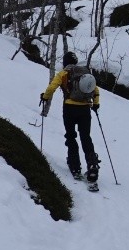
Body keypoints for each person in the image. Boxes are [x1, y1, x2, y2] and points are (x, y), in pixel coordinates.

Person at [41, 51, 101, 184]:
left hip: (69, 109)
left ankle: (75, 166)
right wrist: (95, 105)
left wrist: (45, 97)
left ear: (65, 62)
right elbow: (95, 90)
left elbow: (52, 87)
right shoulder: (85, 73)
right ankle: (92, 165)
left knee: (71, 136)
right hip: (85, 109)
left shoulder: (64, 73)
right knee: (85, 137)